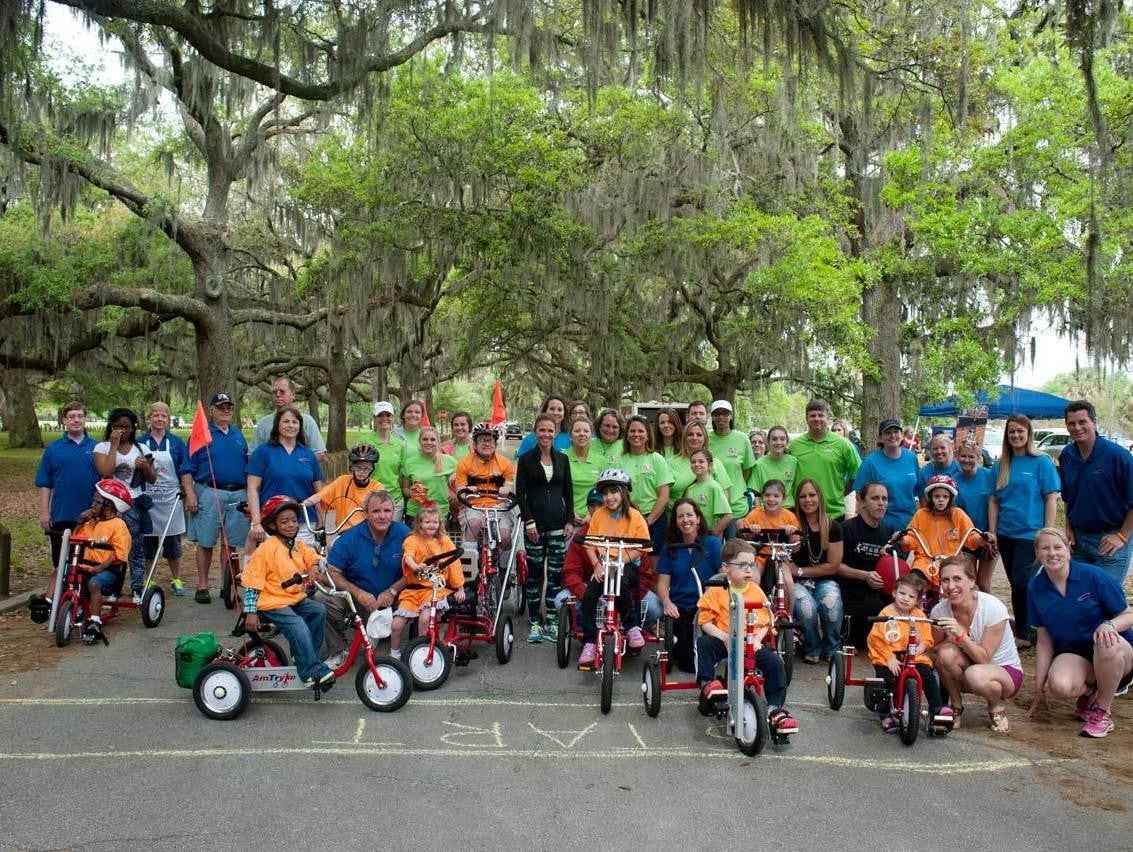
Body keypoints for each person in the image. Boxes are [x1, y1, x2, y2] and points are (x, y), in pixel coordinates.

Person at [1026, 527, 1133, 739]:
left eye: (1058, 547)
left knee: (1106, 641)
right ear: (1037, 553)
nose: (1052, 553)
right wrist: (1039, 689)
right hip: (1076, 654)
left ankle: (1103, 712)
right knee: (1060, 686)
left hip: (1115, 650)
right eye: (1045, 548)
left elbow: (1128, 615)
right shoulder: (1035, 588)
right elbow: (1044, 640)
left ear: (1068, 549)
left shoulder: (1093, 576)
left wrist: (1110, 624)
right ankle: (1091, 693)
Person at [694, 538, 799, 736]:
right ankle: (707, 683)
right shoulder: (717, 590)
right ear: (726, 568)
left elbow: (766, 621)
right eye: (742, 565)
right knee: (704, 644)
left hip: (750, 642)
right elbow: (705, 622)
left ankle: (774, 708)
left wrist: (758, 639)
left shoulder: (756, 591)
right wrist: (724, 637)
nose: (749, 570)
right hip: (724, 640)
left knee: (775, 663)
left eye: (751, 565)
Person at [240, 495, 335, 687]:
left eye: (293, 520)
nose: (291, 525)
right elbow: (252, 581)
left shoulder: (297, 546)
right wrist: (250, 612)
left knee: (318, 611)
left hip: (292, 599)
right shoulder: (267, 549)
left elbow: (314, 557)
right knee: (298, 625)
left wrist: (316, 566)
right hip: (271, 602)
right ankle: (310, 671)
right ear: (273, 525)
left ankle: (307, 658)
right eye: (284, 522)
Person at [28, 479, 132, 645]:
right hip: (84, 566)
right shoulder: (90, 523)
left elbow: (119, 554)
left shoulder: (118, 525)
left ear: (109, 505)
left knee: (94, 584)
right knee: (59, 570)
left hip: (108, 571)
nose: (93, 505)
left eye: (97, 502)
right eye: (93, 501)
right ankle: (47, 603)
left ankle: (95, 622)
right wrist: (79, 522)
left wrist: (101, 566)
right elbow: (76, 539)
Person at [988, 414, 1059, 645]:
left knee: (1022, 582)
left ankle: (1025, 632)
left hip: (1031, 535)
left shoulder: (1042, 462)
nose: (1016, 435)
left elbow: (1051, 498)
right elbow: (994, 500)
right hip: (1006, 534)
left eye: (1020, 431)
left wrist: (1048, 533)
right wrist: (992, 531)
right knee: (1017, 584)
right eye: (1011, 432)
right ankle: (1025, 626)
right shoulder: (1001, 465)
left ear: (1028, 433)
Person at [930, 556, 1022, 734]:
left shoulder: (992, 608)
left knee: (975, 674)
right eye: (945, 580)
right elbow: (933, 651)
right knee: (945, 653)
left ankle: (996, 707)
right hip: (967, 669)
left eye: (957, 579)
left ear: (972, 581)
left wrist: (960, 636)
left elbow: (984, 657)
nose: (951, 586)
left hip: (1004, 671)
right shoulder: (939, 610)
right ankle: (956, 707)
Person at [321, 491, 411, 659]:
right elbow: (332, 572)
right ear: (366, 514)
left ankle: (413, 648)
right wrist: (358, 593)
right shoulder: (350, 538)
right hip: (359, 601)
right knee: (322, 600)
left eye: (387, 511)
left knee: (424, 592)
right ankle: (338, 650)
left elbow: (418, 570)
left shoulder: (404, 534)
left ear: (394, 512)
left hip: (394, 600)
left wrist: (393, 590)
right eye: (376, 511)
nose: (382, 516)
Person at [577, 469, 651, 667]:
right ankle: (590, 641)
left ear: (624, 493)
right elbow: (589, 545)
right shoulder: (599, 515)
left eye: (614, 492)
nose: (609, 497)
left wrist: (622, 560)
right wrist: (596, 565)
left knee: (623, 584)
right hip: (604, 564)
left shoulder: (635, 516)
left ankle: (632, 626)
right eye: (606, 493)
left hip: (627, 564)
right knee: (590, 594)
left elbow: (643, 547)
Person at [183, 392, 250, 603]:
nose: (225, 411)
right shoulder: (202, 434)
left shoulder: (238, 435)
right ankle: (202, 585)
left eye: (229, 407)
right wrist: (190, 493)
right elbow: (187, 469)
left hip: (237, 492)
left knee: (230, 544)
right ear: (211, 411)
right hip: (210, 492)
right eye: (221, 407)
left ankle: (226, 586)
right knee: (205, 541)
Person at [1059, 400, 1133, 584]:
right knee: (1080, 596)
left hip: (1111, 540)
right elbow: (1068, 497)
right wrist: (1068, 528)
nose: (1077, 427)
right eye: (1072, 423)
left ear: (1094, 422)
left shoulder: (1118, 457)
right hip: (1079, 542)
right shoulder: (1067, 456)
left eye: (1082, 422)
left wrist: (1122, 536)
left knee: (1104, 598)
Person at [516, 413, 574, 643]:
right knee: (534, 575)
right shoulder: (527, 459)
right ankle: (535, 621)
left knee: (555, 575)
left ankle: (551, 619)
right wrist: (529, 521)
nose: (546, 435)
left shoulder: (563, 459)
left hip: (558, 526)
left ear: (556, 432)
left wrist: (569, 520)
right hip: (535, 528)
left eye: (550, 431)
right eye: (542, 430)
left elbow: (568, 492)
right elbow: (521, 493)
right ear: (535, 432)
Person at [868, 573, 949, 732]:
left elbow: (927, 637)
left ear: (918, 601)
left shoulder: (919, 616)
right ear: (894, 593)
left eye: (911, 596)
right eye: (902, 593)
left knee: (927, 674)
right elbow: (876, 639)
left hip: (913, 655)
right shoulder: (886, 614)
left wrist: (922, 646)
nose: (905, 598)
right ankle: (885, 714)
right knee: (884, 678)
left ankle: (937, 708)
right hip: (888, 655)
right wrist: (889, 657)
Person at [93, 408, 156, 603]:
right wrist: (114, 445)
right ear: (111, 426)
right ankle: (112, 588)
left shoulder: (142, 448)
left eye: (127, 427)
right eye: (119, 426)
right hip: (109, 504)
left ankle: (137, 587)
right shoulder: (102, 447)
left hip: (134, 503)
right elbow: (105, 472)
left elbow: (152, 478)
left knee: (134, 547)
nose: (123, 431)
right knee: (110, 546)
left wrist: (145, 467)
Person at [656, 499, 722, 673]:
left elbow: (724, 574)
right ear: (676, 522)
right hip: (682, 608)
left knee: (698, 662)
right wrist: (667, 601)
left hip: (707, 608)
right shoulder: (670, 548)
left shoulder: (712, 543)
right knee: (688, 665)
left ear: (698, 518)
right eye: (680, 516)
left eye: (690, 515)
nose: (686, 520)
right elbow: (663, 583)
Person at [246, 406, 324, 549]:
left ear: (300, 426)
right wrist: (256, 522)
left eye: (295, 422)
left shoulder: (308, 454)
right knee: (275, 567)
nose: (290, 425)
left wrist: (321, 517)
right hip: (272, 523)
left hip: (304, 522)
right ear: (277, 425)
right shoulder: (263, 452)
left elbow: (318, 491)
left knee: (303, 566)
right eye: (286, 421)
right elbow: (252, 487)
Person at [393, 503, 464, 655]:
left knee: (425, 620)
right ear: (419, 523)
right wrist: (416, 567)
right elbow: (408, 557)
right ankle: (394, 654)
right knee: (396, 625)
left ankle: (421, 653)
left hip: (433, 590)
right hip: (413, 591)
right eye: (427, 522)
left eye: (435, 522)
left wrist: (460, 588)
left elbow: (454, 563)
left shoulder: (444, 541)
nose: (432, 525)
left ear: (440, 523)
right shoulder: (412, 540)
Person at [35, 400, 99, 567]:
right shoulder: (53, 449)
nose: (76, 420)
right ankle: (60, 593)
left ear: (85, 419)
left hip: (91, 516)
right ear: (64, 420)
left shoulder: (97, 448)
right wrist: (44, 512)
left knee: (87, 563)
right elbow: (45, 483)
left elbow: (105, 481)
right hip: (62, 514)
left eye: (80, 416)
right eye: (71, 417)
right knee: (61, 563)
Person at [137, 402, 192, 595]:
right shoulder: (141, 442)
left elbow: (185, 470)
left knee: (172, 542)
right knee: (148, 540)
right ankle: (149, 579)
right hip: (149, 498)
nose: (160, 419)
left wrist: (189, 492)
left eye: (164, 416)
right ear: (149, 418)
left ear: (168, 419)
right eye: (156, 415)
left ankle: (176, 579)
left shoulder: (176, 443)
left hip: (170, 498)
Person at [901, 475, 986, 600]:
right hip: (925, 561)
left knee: (966, 588)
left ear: (950, 498)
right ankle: (917, 611)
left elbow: (971, 536)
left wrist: (981, 539)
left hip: (952, 560)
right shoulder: (921, 515)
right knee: (913, 584)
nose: (941, 500)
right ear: (930, 498)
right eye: (937, 496)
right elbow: (912, 537)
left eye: (945, 497)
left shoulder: (958, 514)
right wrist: (902, 540)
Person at [790, 479, 844, 664]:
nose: (807, 500)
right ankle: (812, 646)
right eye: (802, 496)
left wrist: (799, 571)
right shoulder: (791, 524)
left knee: (832, 604)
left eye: (812, 495)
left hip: (824, 579)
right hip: (796, 582)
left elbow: (833, 565)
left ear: (820, 497)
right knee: (806, 607)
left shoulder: (833, 526)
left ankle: (831, 648)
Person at [838, 481, 894, 647]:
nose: (881, 503)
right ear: (862, 502)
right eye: (875, 498)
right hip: (850, 590)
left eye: (884, 499)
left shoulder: (888, 530)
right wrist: (864, 575)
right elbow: (835, 566)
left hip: (877, 591)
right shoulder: (846, 528)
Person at [789, 398, 861, 520]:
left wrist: (842, 492)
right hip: (802, 513)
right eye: (812, 415)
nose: (817, 418)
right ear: (806, 418)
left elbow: (858, 474)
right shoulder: (794, 446)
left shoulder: (843, 444)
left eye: (821, 415)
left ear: (827, 418)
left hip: (833, 513)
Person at [737, 479, 799, 610]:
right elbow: (745, 539)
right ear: (762, 497)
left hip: (780, 557)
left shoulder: (789, 517)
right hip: (759, 556)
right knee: (752, 579)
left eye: (776, 496)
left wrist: (791, 532)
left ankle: (788, 616)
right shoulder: (755, 514)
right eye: (767, 495)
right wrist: (751, 531)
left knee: (788, 583)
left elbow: (796, 546)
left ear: (784, 498)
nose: (771, 499)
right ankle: (751, 612)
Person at [453, 423, 516, 548]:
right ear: (474, 444)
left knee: (504, 536)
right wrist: (467, 492)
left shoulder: (505, 464)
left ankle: (503, 567)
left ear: (496, 444)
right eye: (482, 440)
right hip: (472, 506)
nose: (487, 444)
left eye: (490, 440)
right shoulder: (464, 463)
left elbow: (509, 487)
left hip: (498, 506)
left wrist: (506, 490)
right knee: (474, 524)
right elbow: (460, 492)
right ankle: (471, 563)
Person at [618, 414, 673, 552]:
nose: (636, 434)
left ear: (648, 435)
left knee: (653, 563)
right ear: (627, 435)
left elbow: (664, 496)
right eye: (632, 431)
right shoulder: (619, 460)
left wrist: (647, 521)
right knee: (627, 560)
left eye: (641, 431)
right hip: (626, 518)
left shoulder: (657, 459)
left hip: (654, 520)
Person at [852, 419, 919, 530]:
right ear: (880, 438)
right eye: (888, 433)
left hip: (910, 524)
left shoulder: (911, 457)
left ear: (902, 435)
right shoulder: (870, 462)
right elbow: (859, 497)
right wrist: (868, 526)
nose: (892, 436)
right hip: (881, 525)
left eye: (896, 432)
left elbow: (918, 490)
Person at [303, 444, 383, 533]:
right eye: (358, 467)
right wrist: (303, 504)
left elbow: (382, 509)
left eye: (366, 468)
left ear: (372, 469)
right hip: (344, 532)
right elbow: (320, 495)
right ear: (351, 467)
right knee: (331, 546)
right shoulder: (343, 481)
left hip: (368, 533)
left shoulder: (377, 487)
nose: (361, 471)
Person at [707, 400, 756, 538]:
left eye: (724, 413)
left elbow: (746, 470)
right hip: (712, 506)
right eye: (717, 414)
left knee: (735, 549)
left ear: (731, 416)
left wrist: (737, 486)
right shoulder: (706, 438)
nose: (721, 417)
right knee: (713, 550)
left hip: (736, 505)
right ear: (712, 417)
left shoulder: (742, 438)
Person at [954, 441, 997, 592]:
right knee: (969, 583)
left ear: (978, 457)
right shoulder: (954, 481)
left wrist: (992, 535)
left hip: (988, 536)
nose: (967, 460)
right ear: (957, 457)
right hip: (966, 538)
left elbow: (996, 505)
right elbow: (956, 516)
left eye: (971, 456)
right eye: (963, 456)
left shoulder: (989, 476)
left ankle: (988, 614)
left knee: (984, 583)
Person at [251, 375, 326, 460]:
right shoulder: (263, 423)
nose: (278, 395)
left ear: (293, 394)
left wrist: (297, 463)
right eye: (275, 392)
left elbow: (320, 453)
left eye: (282, 391)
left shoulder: (307, 421)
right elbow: (251, 454)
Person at [399, 427, 456, 523]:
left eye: (432, 439)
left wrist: (452, 492)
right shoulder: (410, 462)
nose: (428, 442)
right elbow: (405, 488)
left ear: (438, 442)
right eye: (425, 439)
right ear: (419, 441)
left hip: (439, 513)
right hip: (415, 513)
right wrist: (413, 493)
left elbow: (461, 480)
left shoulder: (449, 461)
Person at [368, 401, 407, 521]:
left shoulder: (399, 444)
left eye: (388, 415)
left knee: (392, 536)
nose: (384, 418)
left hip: (395, 499)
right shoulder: (365, 442)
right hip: (372, 498)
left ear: (393, 418)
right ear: (374, 418)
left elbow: (402, 473)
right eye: (380, 415)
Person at [683, 449, 732, 538]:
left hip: (707, 535)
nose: (697, 464)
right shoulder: (690, 489)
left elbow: (727, 516)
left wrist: (713, 535)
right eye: (693, 462)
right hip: (692, 536)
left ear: (710, 465)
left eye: (701, 461)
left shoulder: (714, 487)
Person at [748, 425, 797, 508]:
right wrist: (760, 515)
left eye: (782, 439)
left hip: (788, 510)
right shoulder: (759, 464)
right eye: (774, 439)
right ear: (768, 442)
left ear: (787, 441)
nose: (778, 442)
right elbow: (756, 494)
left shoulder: (793, 462)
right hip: (767, 510)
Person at [565, 416, 603, 524]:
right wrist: (569, 513)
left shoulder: (601, 460)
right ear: (570, 436)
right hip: (568, 521)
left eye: (586, 431)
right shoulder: (561, 458)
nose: (582, 434)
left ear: (591, 435)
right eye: (577, 431)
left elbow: (605, 492)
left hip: (595, 519)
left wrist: (593, 514)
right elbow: (557, 491)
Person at [916, 433, 961, 498]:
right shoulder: (924, 472)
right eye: (935, 449)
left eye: (943, 448)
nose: (939, 451)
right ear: (930, 451)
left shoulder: (960, 469)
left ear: (949, 448)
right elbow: (923, 502)